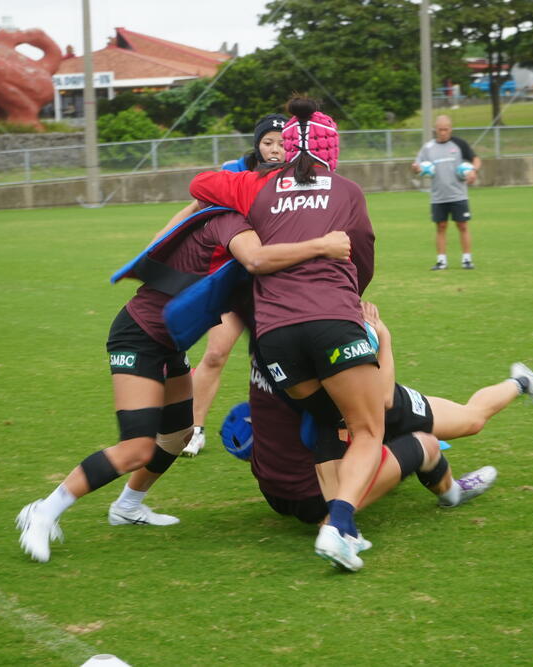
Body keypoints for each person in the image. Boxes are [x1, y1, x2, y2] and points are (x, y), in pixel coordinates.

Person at [14, 206, 351, 562]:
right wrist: (322, 245)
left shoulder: (244, 228)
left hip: (170, 344)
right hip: (138, 339)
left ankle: (127, 507)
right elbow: (255, 260)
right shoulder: (228, 221)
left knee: (178, 435)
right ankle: (43, 511)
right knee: (136, 448)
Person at [189, 96, 384, 572]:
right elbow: (362, 257)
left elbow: (199, 184)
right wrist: (346, 294)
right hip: (331, 321)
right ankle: (339, 525)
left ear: (288, 148)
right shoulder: (347, 190)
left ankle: (336, 520)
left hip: (273, 335)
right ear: (332, 149)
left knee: (324, 415)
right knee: (367, 428)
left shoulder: (257, 188)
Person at [234, 303, 533, 529]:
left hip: (367, 405)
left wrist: (380, 340)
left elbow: (384, 399)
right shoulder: (295, 343)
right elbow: (381, 398)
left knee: (469, 420)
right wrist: (384, 340)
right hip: (353, 415)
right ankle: (448, 488)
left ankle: (521, 382)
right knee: (422, 444)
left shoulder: (278, 336)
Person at [182, 113, 288, 457]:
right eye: (268, 142)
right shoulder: (235, 173)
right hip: (234, 281)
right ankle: (193, 430)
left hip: (276, 285)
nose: (275, 149)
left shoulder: (297, 177)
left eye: (283, 142)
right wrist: (160, 239)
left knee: (276, 362)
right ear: (257, 145)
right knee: (215, 354)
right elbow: (196, 206)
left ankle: (290, 432)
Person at [412, 115, 482, 271]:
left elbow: (476, 159)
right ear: (435, 130)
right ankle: (441, 261)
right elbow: (417, 166)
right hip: (438, 196)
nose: (443, 132)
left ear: (451, 129)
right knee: (441, 227)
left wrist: (473, 171)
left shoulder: (459, 144)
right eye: (440, 129)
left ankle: (467, 259)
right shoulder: (428, 147)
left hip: (458, 195)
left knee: (462, 226)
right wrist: (416, 168)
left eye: (446, 129)